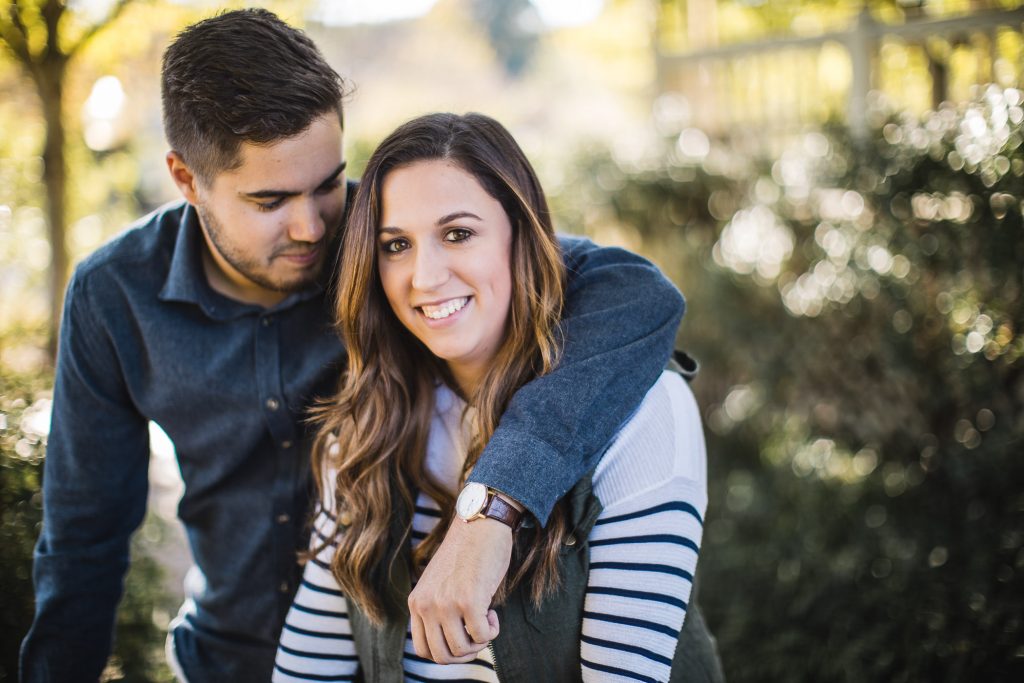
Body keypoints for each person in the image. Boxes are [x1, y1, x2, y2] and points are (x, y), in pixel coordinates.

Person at [20, 9, 693, 683]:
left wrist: (497, 498)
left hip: (390, 648)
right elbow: (84, 541)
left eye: (325, 184)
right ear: (187, 179)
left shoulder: (390, 243)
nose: (313, 225)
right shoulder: (113, 298)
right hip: (232, 659)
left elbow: (630, 294)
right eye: (270, 200)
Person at [273, 113, 722, 682]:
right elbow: (309, 669)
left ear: (522, 237)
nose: (425, 276)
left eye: (458, 233)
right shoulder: (370, 424)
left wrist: (490, 511)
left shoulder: (645, 413)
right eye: (396, 245)